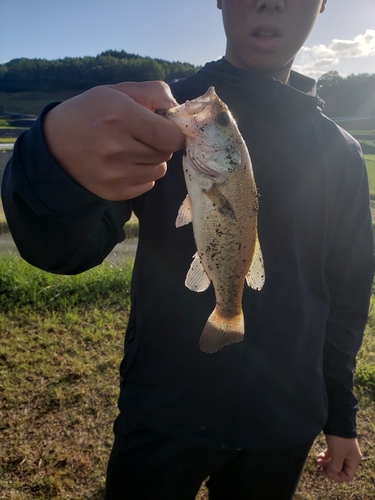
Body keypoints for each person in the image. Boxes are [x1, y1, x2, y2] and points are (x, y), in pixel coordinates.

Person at [2, 0, 374, 498]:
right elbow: (65, 251)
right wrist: (50, 160)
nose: (270, 1)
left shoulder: (343, 153)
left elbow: (348, 293)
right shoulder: (158, 116)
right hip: (164, 406)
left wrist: (341, 415)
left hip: (286, 417)